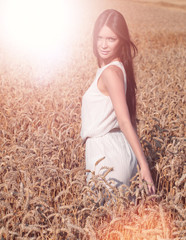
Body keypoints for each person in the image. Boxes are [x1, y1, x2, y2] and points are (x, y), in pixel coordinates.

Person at [81, 9, 155, 194]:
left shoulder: (110, 73)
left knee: (107, 219)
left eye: (111, 39)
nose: (103, 45)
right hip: (117, 150)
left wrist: (144, 166)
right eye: (100, 38)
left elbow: (124, 121)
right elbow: (129, 117)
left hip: (106, 156)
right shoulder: (119, 68)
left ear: (121, 40)